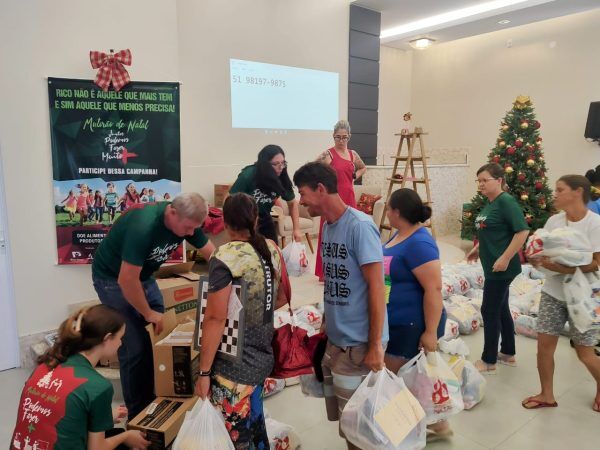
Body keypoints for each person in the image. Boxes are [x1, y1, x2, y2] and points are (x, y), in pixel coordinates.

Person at [92, 193, 215, 419]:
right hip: (111, 279)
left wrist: (230, 277)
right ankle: (138, 414)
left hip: (144, 276)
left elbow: (212, 255)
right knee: (135, 346)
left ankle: (161, 394)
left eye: (194, 229)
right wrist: (148, 313)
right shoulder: (144, 225)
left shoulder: (188, 221)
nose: (191, 234)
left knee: (162, 334)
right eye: (188, 228)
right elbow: (126, 280)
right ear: (172, 213)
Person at [293, 162, 387, 450]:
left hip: (358, 346)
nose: (301, 201)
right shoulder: (329, 226)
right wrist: (326, 320)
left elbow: (377, 288)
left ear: (321, 190)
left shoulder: (359, 227)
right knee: (349, 424)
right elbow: (336, 277)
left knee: (361, 427)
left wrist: (374, 345)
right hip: (336, 340)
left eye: (303, 193)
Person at [195, 193, 287, 449]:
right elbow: (280, 298)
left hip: (232, 367)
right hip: (261, 357)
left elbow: (215, 317)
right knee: (256, 425)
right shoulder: (271, 248)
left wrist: (203, 373)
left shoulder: (225, 256)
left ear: (224, 222)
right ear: (256, 218)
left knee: (236, 437)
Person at [10, 305, 150, 450]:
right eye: (121, 338)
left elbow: (59, 416)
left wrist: (105, 418)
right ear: (107, 338)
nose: (121, 343)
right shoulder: (98, 386)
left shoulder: (44, 367)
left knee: (109, 432)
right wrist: (126, 437)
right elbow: (97, 449)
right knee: (121, 438)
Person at [522, 175, 600, 411]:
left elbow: (596, 263)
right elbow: (542, 249)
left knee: (585, 353)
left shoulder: (594, 224)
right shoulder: (554, 222)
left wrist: (564, 267)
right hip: (553, 293)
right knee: (544, 347)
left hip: (584, 297)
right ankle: (547, 394)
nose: (554, 194)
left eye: (560, 190)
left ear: (577, 192)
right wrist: (537, 261)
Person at [382, 188, 451, 442]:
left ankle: (407, 431)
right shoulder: (399, 235)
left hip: (412, 323)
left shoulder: (419, 242)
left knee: (395, 380)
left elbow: (433, 289)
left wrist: (430, 331)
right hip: (396, 318)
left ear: (397, 212)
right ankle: (436, 425)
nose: (387, 213)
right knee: (411, 379)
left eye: (389, 208)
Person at [467, 163, 529, 374]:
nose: (481, 185)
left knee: (489, 310)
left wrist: (504, 258)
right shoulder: (490, 203)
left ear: (499, 180)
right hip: (492, 264)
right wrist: (477, 248)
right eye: (479, 181)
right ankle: (508, 353)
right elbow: (490, 230)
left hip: (501, 268)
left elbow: (522, 232)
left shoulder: (506, 202)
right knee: (501, 308)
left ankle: (489, 360)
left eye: (485, 180)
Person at [314, 120, 367, 281]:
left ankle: (347, 268)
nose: (341, 140)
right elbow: (313, 170)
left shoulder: (353, 154)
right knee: (330, 234)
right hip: (332, 198)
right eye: (338, 137)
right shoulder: (328, 154)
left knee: (349, 232)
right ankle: (326, 272)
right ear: (333, 137)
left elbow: (363, 167)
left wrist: (355, 176)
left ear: (349, 137)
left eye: (344, 137)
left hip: (349, 197)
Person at [229, 145, 301, 243]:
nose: (281, 168)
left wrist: (296, 229)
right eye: (276, 164)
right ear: (265, 164)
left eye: (283, 163)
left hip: (265, 218)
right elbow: (229, 200)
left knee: (272, 250)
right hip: (245, 220)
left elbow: (292, 204)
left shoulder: (281, 177)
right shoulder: (249, 175)